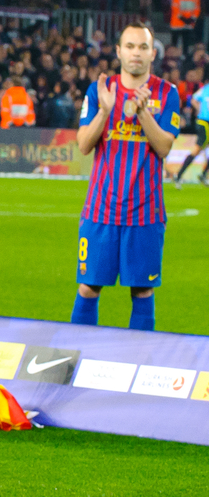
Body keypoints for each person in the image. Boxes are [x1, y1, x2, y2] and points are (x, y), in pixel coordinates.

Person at [72, 24, 181, 331]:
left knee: (142, 291)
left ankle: (138, 368)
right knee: (88, 288)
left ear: (153, 53)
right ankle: (75, 362)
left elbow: (163, 147)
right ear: (118, 51)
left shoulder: (166, 93)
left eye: (143, 47)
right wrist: (105, 112)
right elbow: (83, 145)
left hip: (146, 212)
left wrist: (144, 113)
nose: (136, 53)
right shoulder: (99, 91)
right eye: (130, 46)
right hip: (100, 209)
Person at [175, 81, 209, 188]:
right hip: (205, 122)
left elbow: (194, 99)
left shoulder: (205, 88)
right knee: (197, 149)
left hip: (201, 121)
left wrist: (200, 110)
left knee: (198, 149)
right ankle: (179, 175)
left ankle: (203, 175)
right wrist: (202, 112)